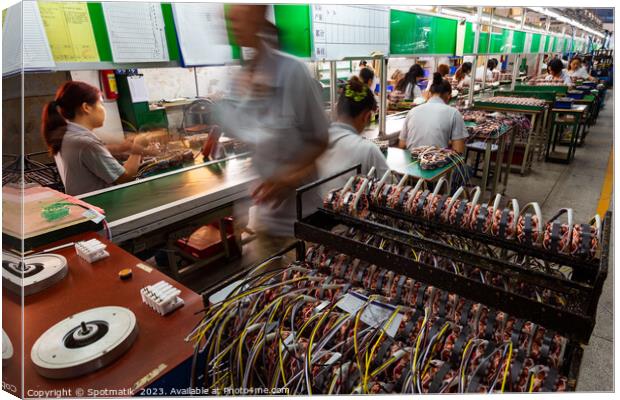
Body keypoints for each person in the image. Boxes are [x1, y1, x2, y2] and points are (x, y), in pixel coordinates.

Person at [215, 5, 329, 239]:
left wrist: (286, 179)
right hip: (265, 217)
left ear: (258, 14)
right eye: (228, 19)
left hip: (302, 217)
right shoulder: (240, 79)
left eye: (238, 16)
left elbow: (320, 140)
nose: (231, 24)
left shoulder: (293, 72)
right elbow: (250, 137)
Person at [41, 81, 150, 196]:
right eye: (101, 104)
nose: (104, 109)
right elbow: (126, 178)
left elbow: (92, 155)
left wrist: (123, 149)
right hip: (103, 206)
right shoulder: (86, 142)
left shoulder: (67, 135)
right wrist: (138, 148)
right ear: (86, 107)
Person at [317, 76, 389, 196]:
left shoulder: (318, 139)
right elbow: (390, 189)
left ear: (336, 109)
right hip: (346, 212)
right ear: (366, 117)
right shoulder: (368, 149)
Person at [398, 72, 468, 154]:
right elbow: (458, 150)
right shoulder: (454, 113)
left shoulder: (412, 111)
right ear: (448, 95)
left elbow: (402, 144)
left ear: (429, 94)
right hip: (436, 164)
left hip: (411, 161)